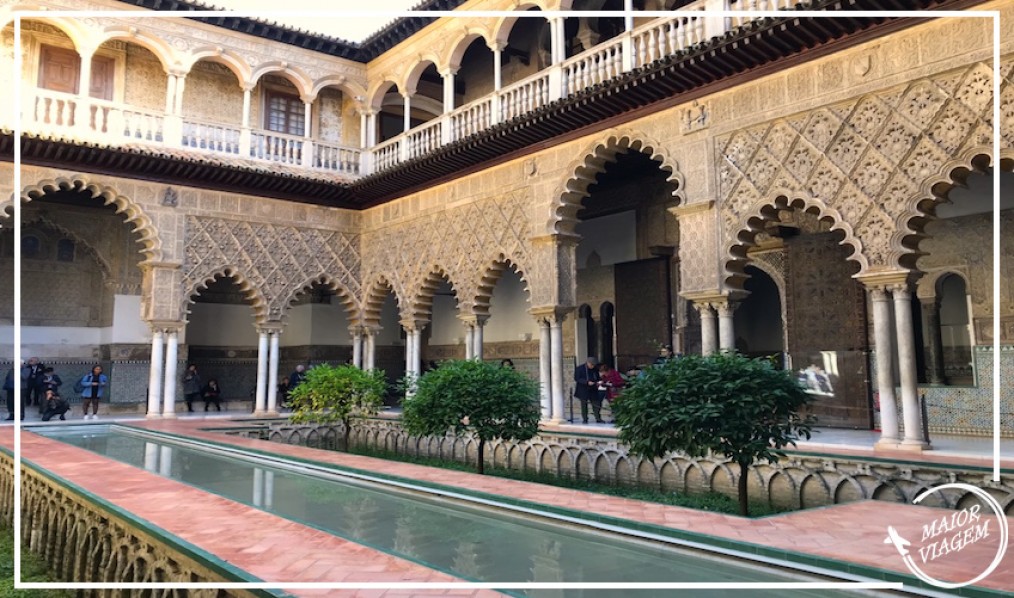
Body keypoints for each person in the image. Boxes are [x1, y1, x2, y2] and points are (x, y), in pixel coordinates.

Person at [574, 356, 603, 424]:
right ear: (588, 363)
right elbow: (577, 378)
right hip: (583, 389)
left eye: (594, 365)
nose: (592, 366)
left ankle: (598, 418)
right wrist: (586, 382)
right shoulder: (579, 368)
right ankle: (585, 419)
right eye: (591, 365)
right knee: (584, 405)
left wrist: (599, 381)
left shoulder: (595, 369)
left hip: (593, 389)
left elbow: (597, 377)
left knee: (596, 403)